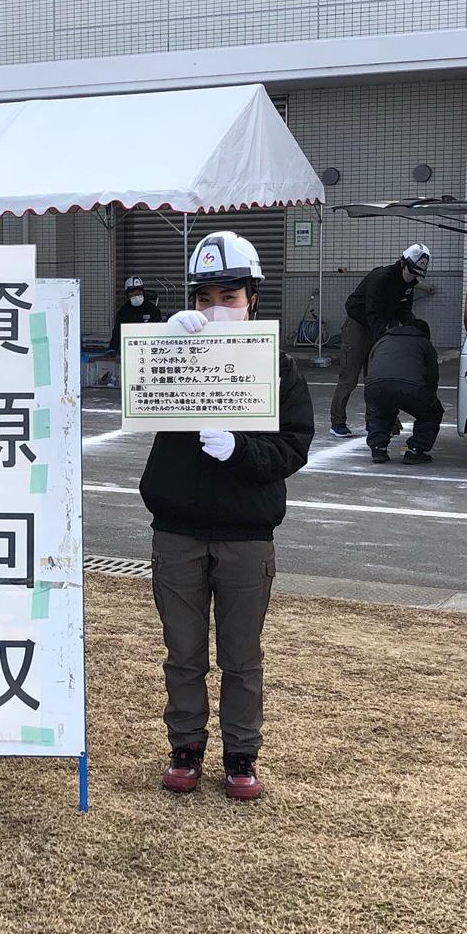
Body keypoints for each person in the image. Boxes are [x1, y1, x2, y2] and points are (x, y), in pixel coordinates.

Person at [138, 231, 314, 802]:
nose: (216, 309)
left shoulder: (278, 367)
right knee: (183, 652)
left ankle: (242, 754)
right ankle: (185, 748)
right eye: (205, 298)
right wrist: (161, 347)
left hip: (246, 533)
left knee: (241, 656)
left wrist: (241, 450)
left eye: (229, 297)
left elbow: (293, 446)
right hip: (178, 529)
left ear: (253, 299)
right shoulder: (177, 350)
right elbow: (134, 396)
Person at [329, 243, 431, 437]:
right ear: (403, 263)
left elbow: (404, 311)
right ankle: (337, 421)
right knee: (349, 376)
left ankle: (374, 421)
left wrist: (413, 328)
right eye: (412, 271)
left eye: (417, 274)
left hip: (381, 324)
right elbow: (373, 312)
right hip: (358, 324)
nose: (413, 276)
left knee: (376, 377)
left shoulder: (409, 284)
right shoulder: (381, 278)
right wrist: (384, 340)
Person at [363, 315, 442, 465]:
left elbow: (370, 368)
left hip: (375, 387)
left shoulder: (383, 340)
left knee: (381, 413)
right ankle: (415, 449)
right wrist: (430, 400)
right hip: (410, 387)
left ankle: (378, 448)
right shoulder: (424, 343)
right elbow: (432, 376)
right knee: (432, 413)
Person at [107, 276, 163, 351]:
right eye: (133, 293)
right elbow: (117, 331)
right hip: (130, 347)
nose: (136, 296)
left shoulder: (153, 309)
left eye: (139, 292)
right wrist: (112, 349)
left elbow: (158, 330)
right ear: (127, 295)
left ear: (143, 292)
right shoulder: (124, 311)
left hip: (150, 346)